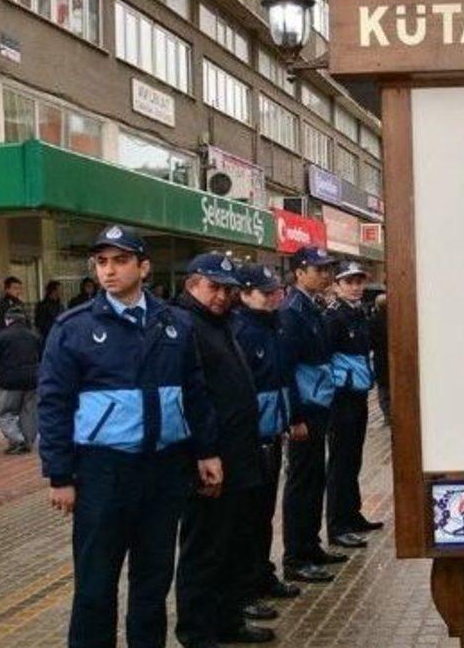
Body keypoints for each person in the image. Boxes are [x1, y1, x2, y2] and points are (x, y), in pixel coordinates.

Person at [38, 224, 223, 647]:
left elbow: (195, 392)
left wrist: (207, 451)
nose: (108, 270)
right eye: (101, 262)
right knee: (95, 586)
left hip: (163, 472)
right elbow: (53, 405)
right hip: (103, 474)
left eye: (120, 261)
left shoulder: (175, 323)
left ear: (143, 267)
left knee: (152, 584)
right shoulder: (74, 327)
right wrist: (60, 475)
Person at [174, 253, 273, 647]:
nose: (221, 296)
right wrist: (205, 452)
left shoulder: (222, 323)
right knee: (205, 548)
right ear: (191, 285)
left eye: (227, 289)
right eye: (213, 287)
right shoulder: (184, 326)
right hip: (211, 458)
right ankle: (197, 631)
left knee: (233, 543)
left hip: (240, 452)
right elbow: (191, 398)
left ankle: (228, 620)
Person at [231, 263, 302, 616]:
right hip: (249, 440)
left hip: (272, 434)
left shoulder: (273, 326)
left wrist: (290, 417)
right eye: (266, 292)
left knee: (262, 515)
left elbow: (283, 379)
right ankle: (243, 587)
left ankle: (262, 574)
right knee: (246, 519)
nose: (274, 297)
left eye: (276, 291)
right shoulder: (240, 331)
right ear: (245, 294)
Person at [279, 246, 346, 583]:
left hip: (318, 406)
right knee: (302, 482)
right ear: (300, 272)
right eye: (318, 270)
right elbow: (286, 368)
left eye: (327, 269)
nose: (325, 275)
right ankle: (296, 556)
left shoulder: (311, 306)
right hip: (304, 411)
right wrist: (294, 417)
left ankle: (310, 544)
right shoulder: (292, 310)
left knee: (315, 479)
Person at [325, 261, 384, 549]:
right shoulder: (333, 317)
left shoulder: (358, 313)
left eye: (359, 281)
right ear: (336, 286)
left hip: (358, 396)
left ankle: (352, 513)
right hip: (340, 399)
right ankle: (338, 525)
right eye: (349, 282)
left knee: (353, 458)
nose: (356, 287)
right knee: (340, 462)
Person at [0, 306, 41, 454]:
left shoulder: (2, 336)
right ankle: (28, 442)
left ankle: (17, 440)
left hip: (8, 381)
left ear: (8, 320)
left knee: (4, 413)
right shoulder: (34, 335)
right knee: (29, 413)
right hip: (32, 380)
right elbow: (41, 356)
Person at [370, 293, 390, 424]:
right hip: (389, 358)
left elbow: (370, 342)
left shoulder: (373, 321)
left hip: (380, 359)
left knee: (383, 390)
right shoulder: (394, 318)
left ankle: (387, 414)